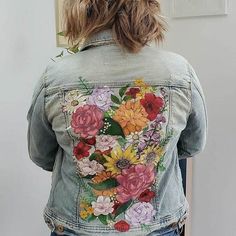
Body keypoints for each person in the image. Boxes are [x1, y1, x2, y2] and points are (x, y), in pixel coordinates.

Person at [26, 0, 208, 235]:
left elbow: (41, 154)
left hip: (77, 227)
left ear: (82, 9)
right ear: (148, 8)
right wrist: (149, 158)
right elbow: (192, 145)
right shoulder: (179, 72)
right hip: (157, 225)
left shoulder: (55, 77)